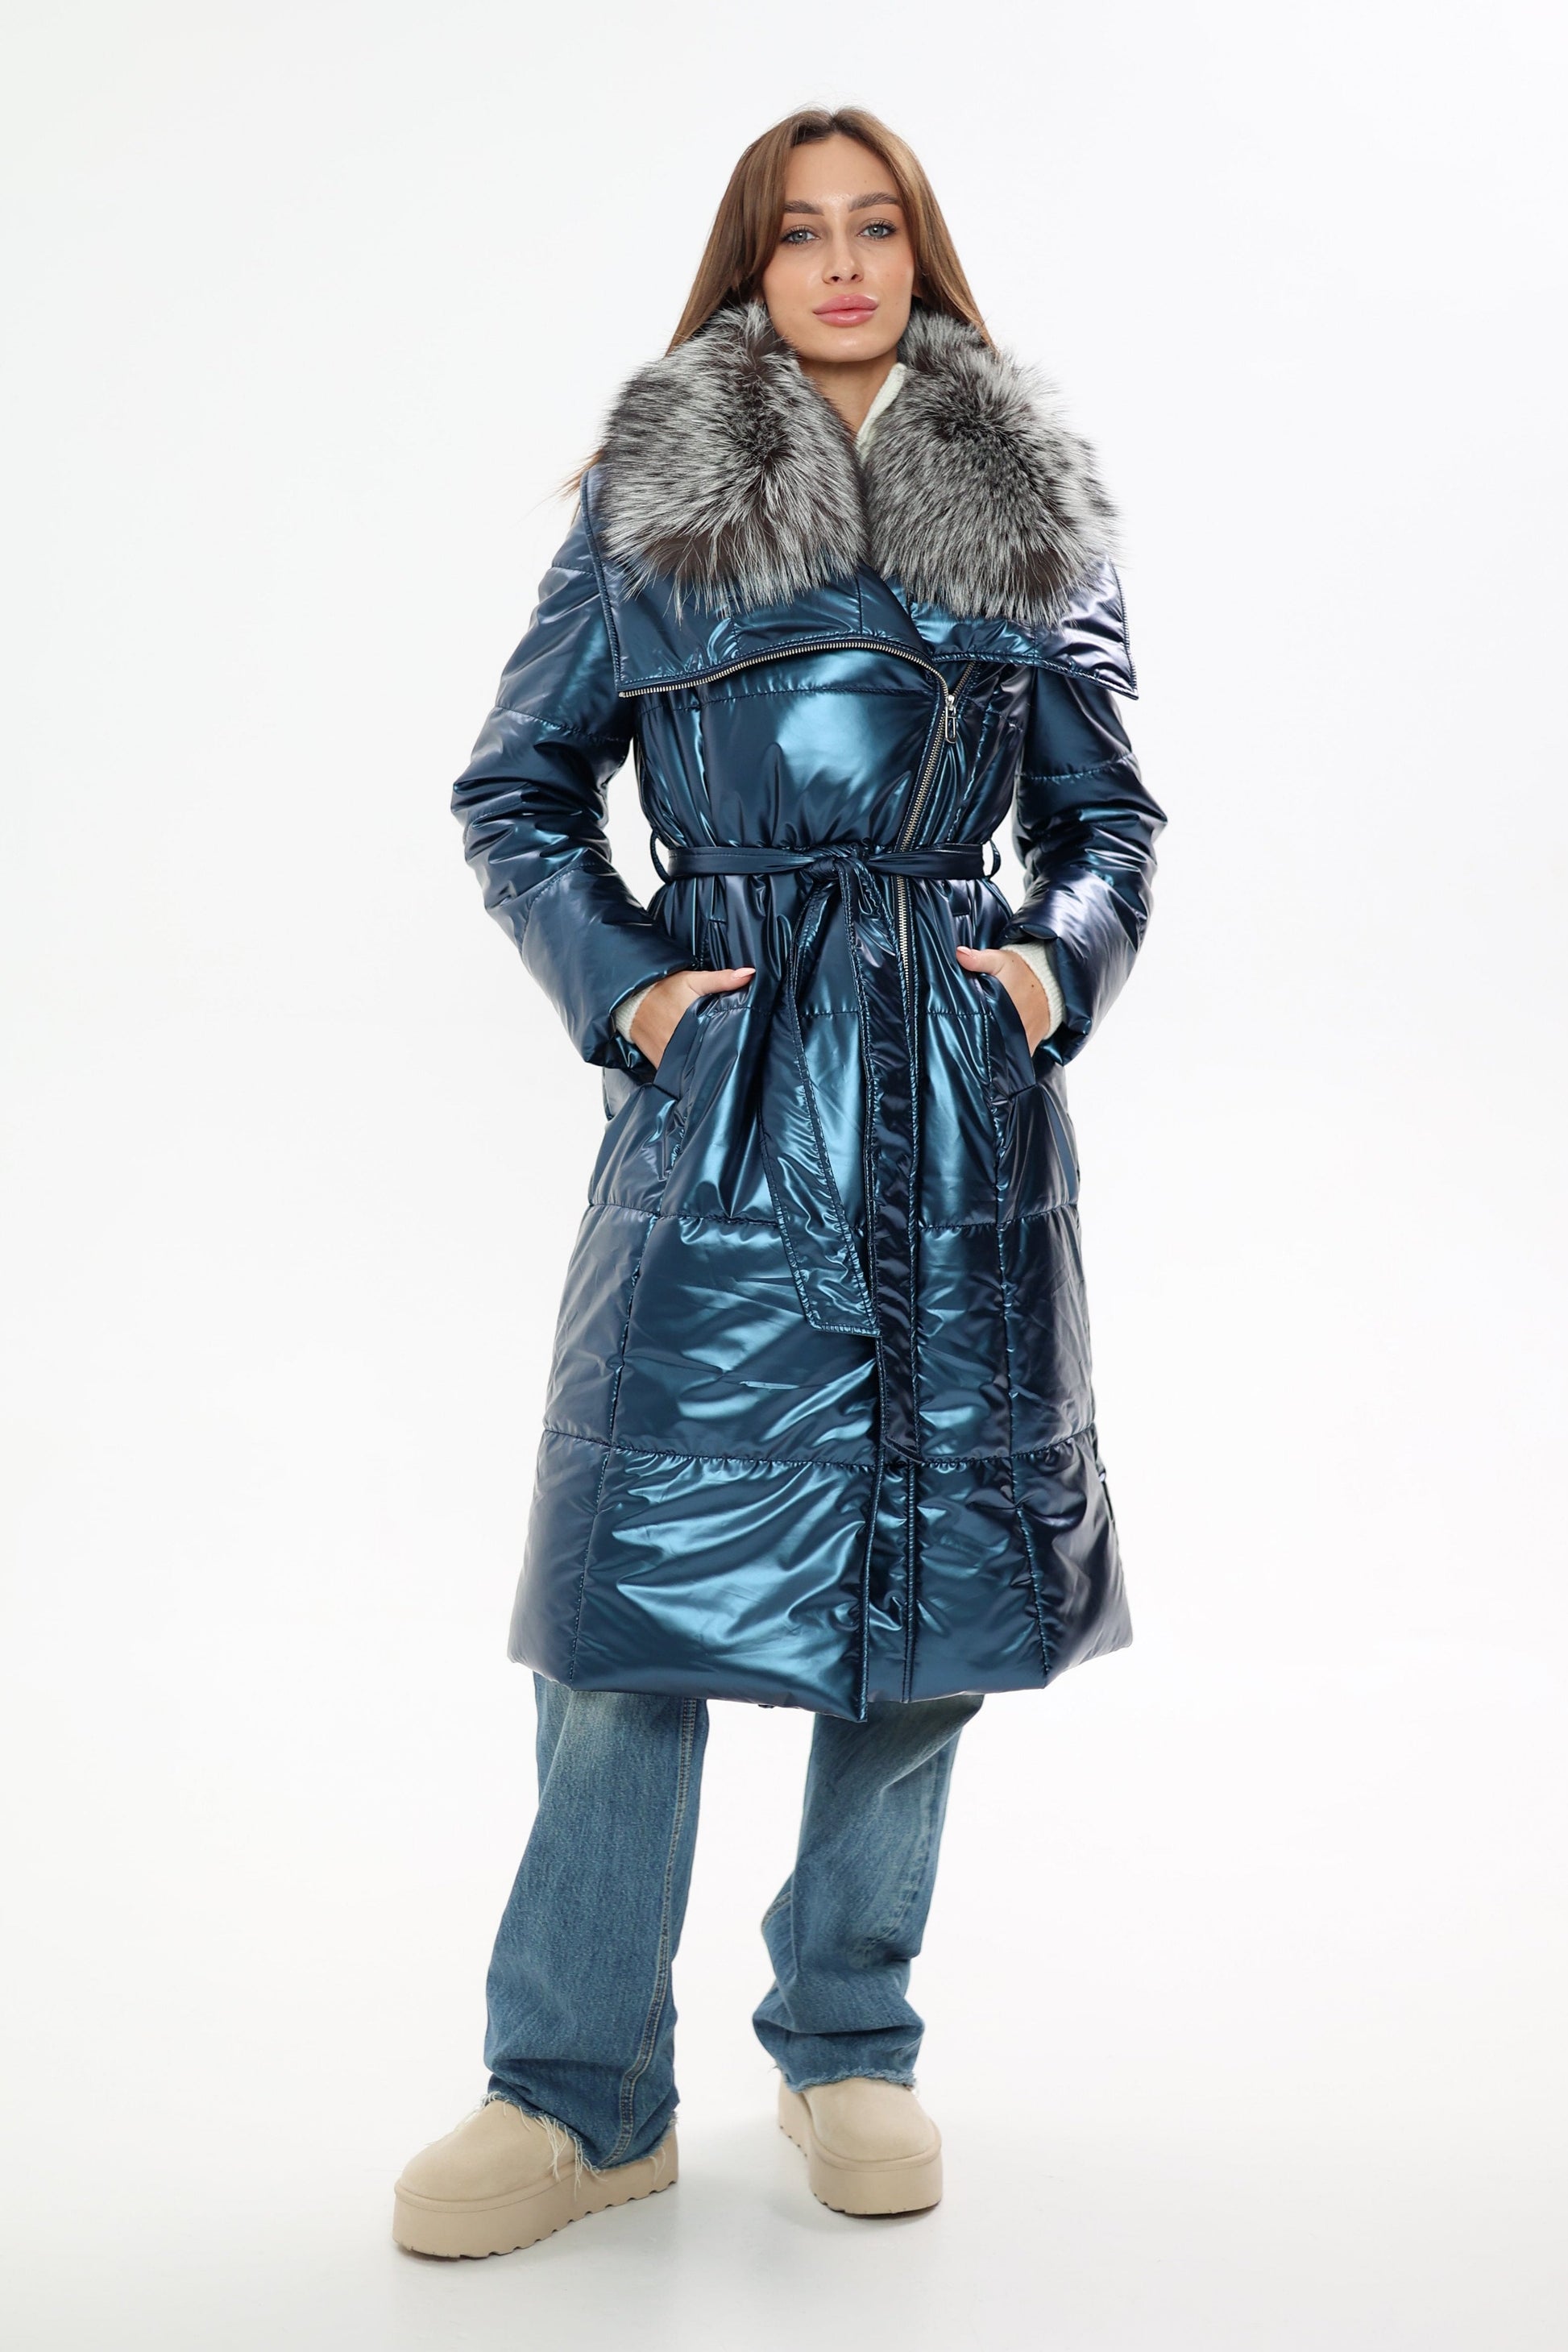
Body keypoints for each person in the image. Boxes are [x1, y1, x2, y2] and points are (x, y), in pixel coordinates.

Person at [393, 104, 1164, 2259]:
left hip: (951, 1111)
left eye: (875, 225)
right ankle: (575, 2092)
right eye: (798, 231)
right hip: (720, 1108)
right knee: (626, 1607)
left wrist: (1048, 973)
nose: (840, 263)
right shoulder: (647, 505)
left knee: (929, 1601)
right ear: (748, 267)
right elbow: (518, 788)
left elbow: (1110, 821)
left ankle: (847, 2040)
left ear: (921, 252)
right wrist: (635, 992)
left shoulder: (1034, 519)